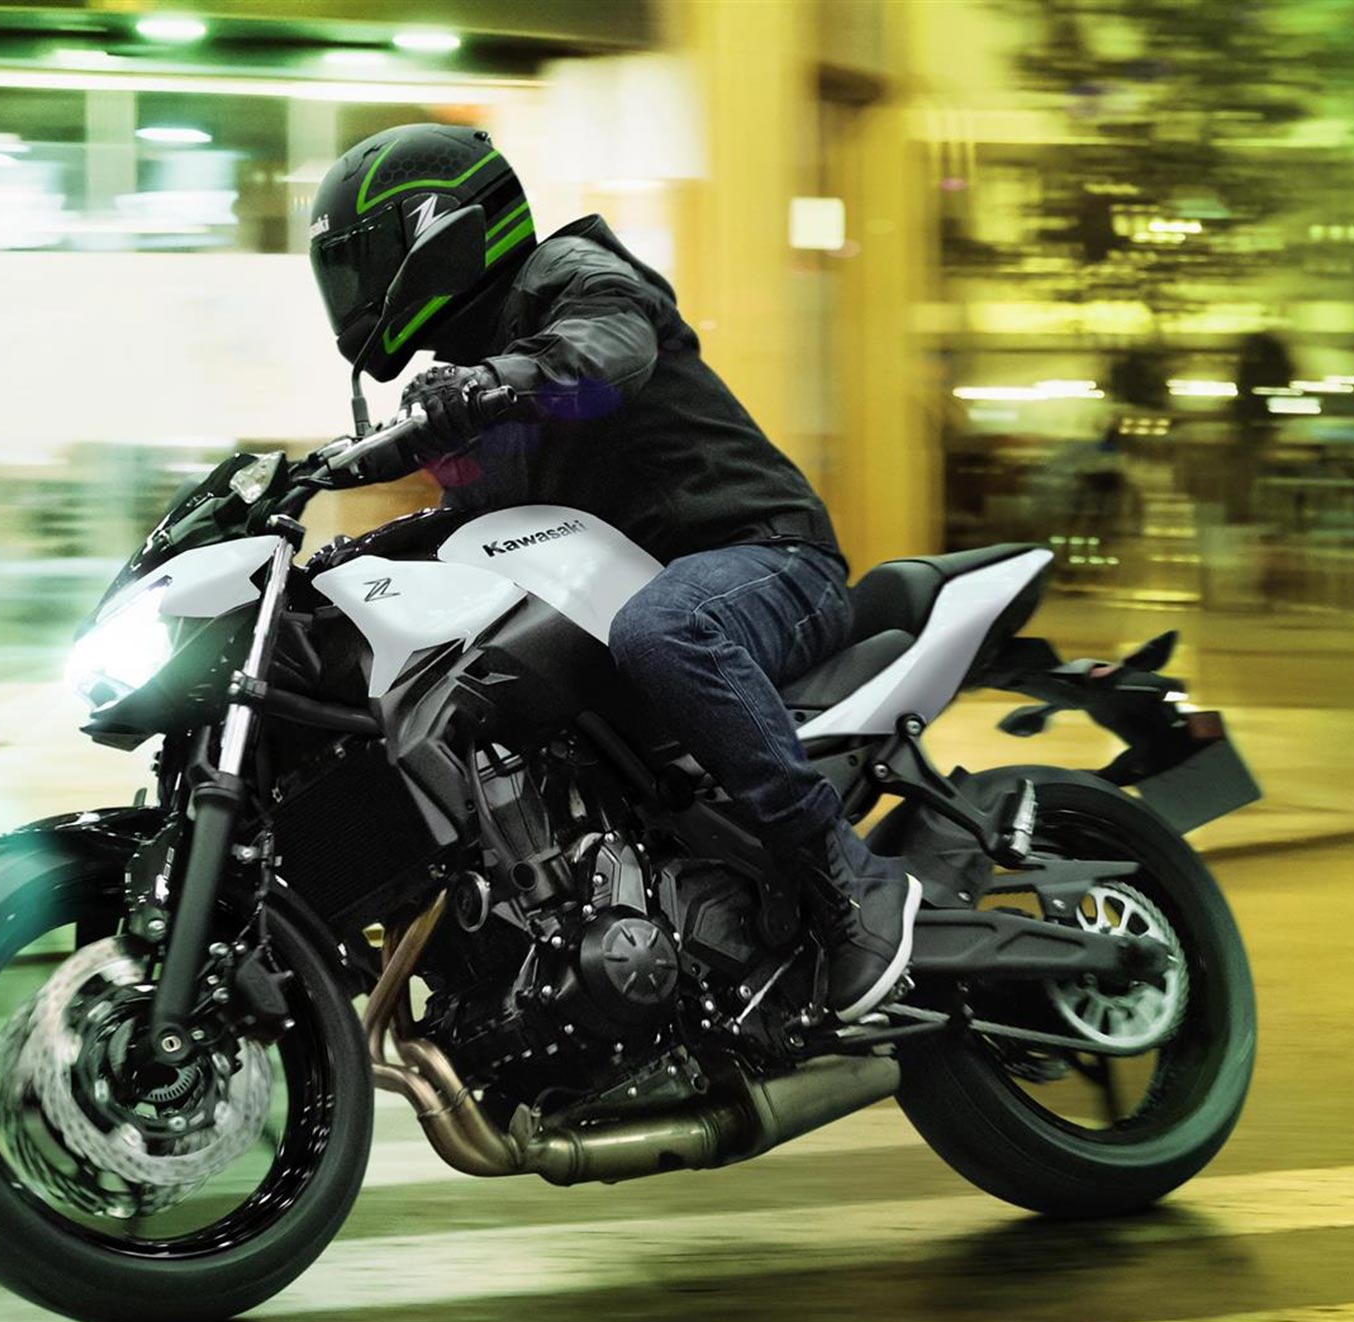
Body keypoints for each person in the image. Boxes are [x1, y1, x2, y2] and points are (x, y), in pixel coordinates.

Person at [307, 123, 919, 1022]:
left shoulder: (571, 279)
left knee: (666, 628)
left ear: (437, 233)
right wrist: (345, 551)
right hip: (633, 591)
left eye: (362, 262)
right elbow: (474, 532)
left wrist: (491, 382)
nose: (352, 291)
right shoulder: (466, 383)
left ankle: (845, 874)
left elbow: (604, 354)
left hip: (765, 558)